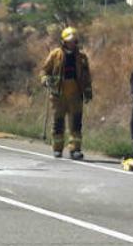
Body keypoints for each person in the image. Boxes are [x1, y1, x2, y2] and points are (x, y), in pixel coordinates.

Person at [40, 27, 93, 159]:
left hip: (75, 94)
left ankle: (75, 150)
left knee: (76, 123)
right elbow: (44, 71)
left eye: (74, 41)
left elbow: (86, 76)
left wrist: (88, 91)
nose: (72, 43)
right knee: (58, 122)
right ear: (64, 41)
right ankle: (57, 149)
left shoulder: (82, 57)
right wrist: (45, 79)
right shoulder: (55, 55)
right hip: (59, 94)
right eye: (69, 41)